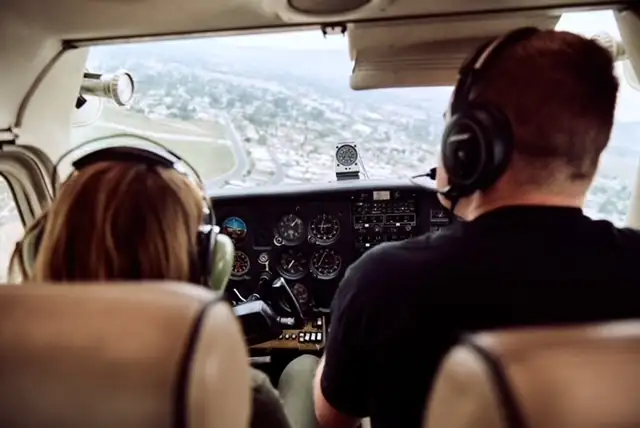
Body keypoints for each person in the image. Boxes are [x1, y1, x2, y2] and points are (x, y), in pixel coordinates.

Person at [312, 28, 640, 428]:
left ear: (467, 143)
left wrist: (342, 332)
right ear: (594, 153)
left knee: (299, 374)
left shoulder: (384, 279)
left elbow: (334, 416)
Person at [9, 150, 320, 428]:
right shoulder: (236, 393)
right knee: (304, 367)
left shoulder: (13, 368)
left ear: (39, 249)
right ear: (207, 262)